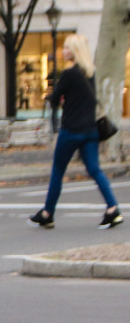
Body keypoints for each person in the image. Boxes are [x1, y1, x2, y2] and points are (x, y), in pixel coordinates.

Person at [30, 34, 122, 229]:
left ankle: (48, 213)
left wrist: (55, 97)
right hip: (91, 131)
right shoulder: (91, 72)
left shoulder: (68, 73)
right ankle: (113, 208)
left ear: (74, 51)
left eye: (66, 48)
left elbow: (54, 99)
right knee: (95, 170)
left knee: (58, 171)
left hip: (71, 131)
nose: (63, 51)